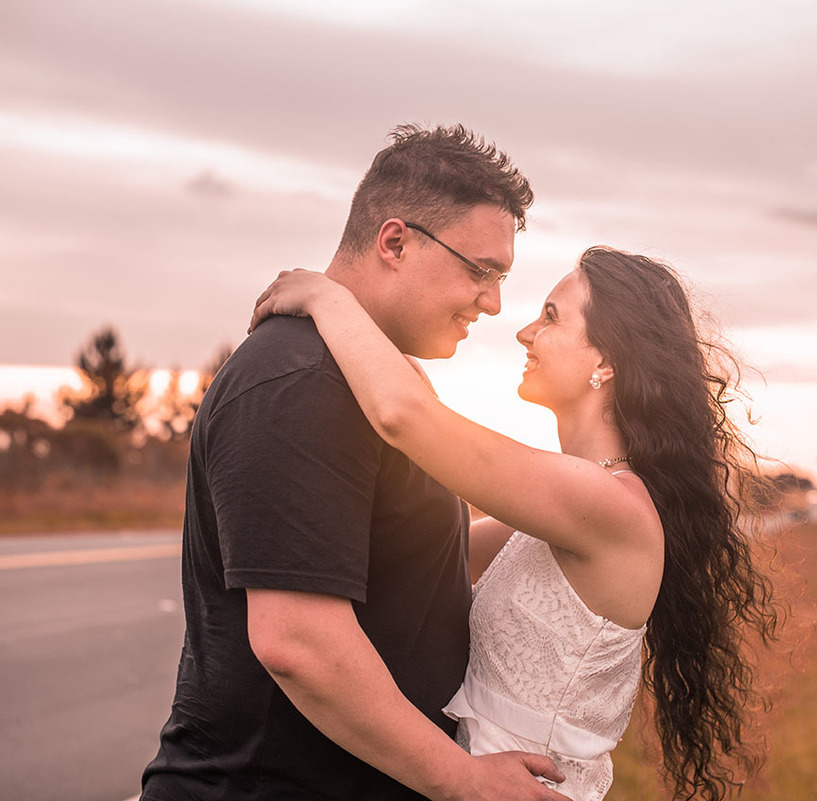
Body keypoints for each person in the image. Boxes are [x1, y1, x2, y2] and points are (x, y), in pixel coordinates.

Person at [248, 245, 782, 801]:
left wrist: (328, 296)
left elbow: (403, 416)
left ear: (606, 363)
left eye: (551, 316)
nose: (525, 332)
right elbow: (434, 550)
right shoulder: (562, 511)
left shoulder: (608, 505)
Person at [141, 124, 573, 801]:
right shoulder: (302, 380)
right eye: (480, 270)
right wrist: (462, 779)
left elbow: (416, 562)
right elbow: (298, 640)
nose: (493, 303)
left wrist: (576, 523)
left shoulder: (372, 379)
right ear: (395, 242)